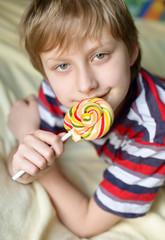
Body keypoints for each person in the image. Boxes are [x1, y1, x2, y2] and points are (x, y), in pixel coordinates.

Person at [7, 0, 165, 238]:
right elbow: (21, 167)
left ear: (133, 49)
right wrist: (27, 138)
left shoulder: (154, 133)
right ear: (45, 73)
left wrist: (43, 168)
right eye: (62, 65)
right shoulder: (58, 91)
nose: (85, 85)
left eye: (100, 55)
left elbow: (86, 222)